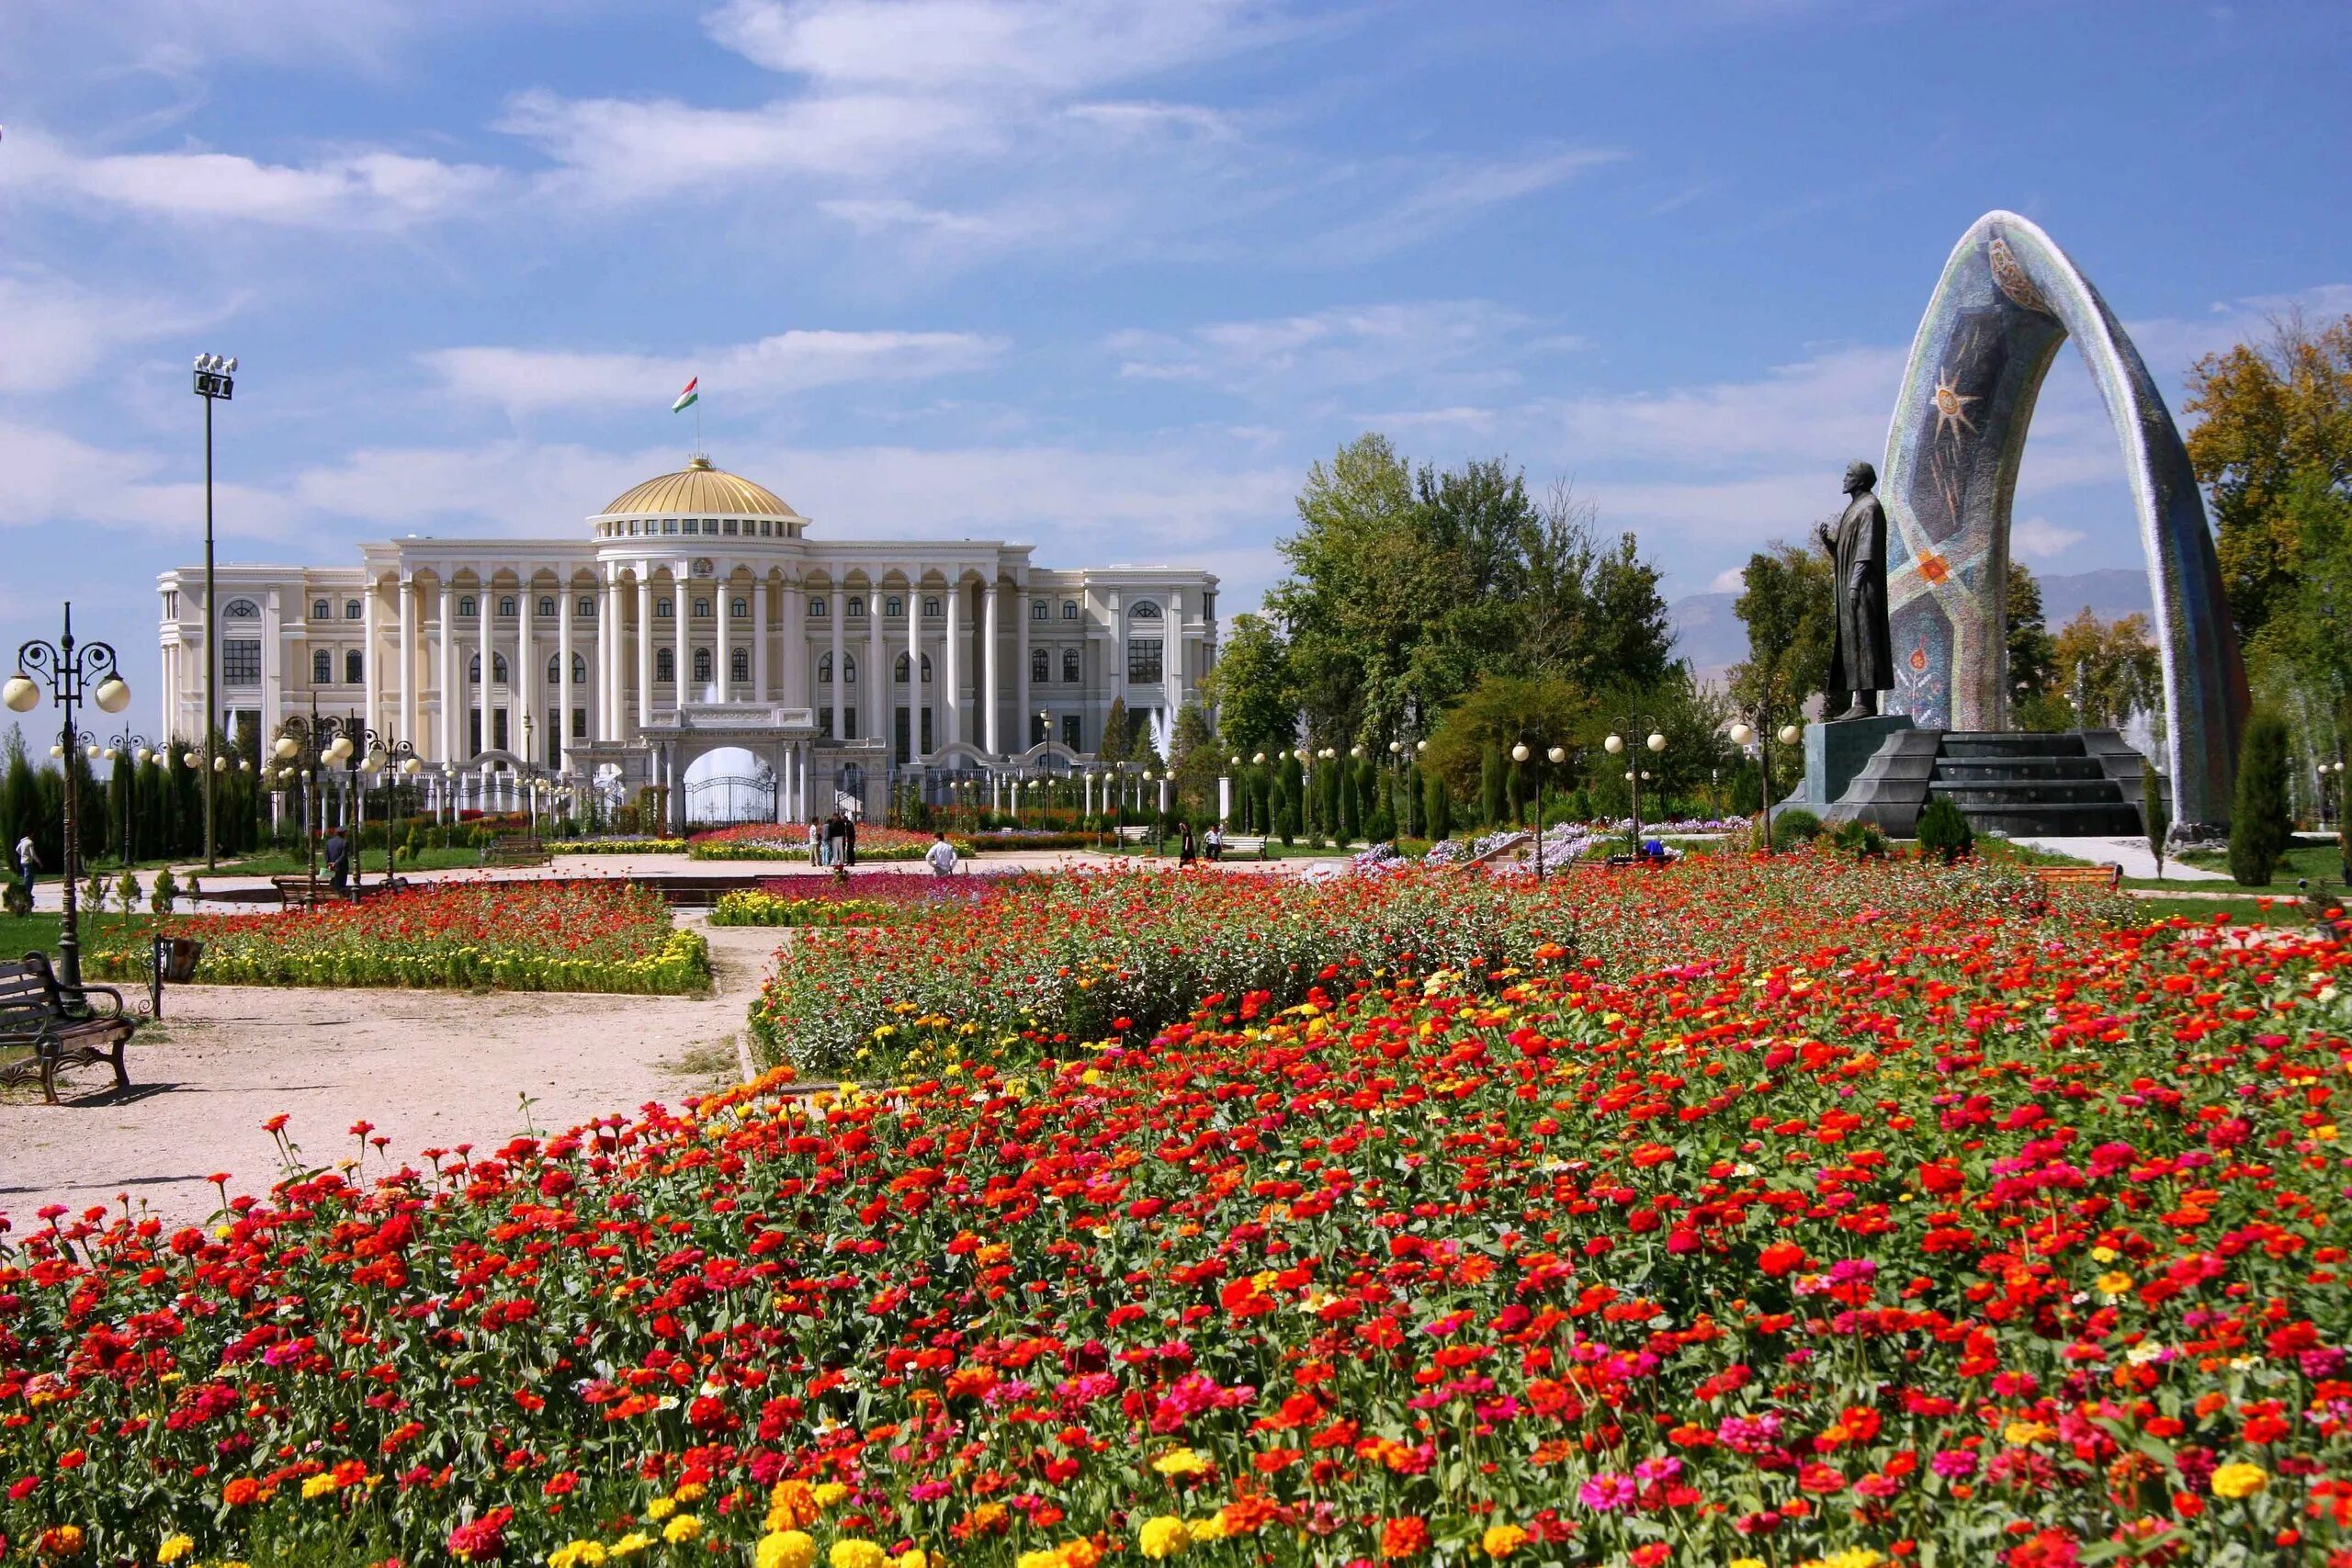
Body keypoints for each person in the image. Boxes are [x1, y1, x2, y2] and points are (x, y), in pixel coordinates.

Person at [13, 831, 37, 906]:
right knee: (28, 878)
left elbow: (17, 849)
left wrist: (22, 855)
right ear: (31, 834)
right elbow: (33, 854)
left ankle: (27, 892)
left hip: (22, 861)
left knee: (26, 877)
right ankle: (27, 893)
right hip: (28, 862)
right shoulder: (30, 842)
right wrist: (39, 862)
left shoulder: (22, 841)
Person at [324, 827, 350, 893]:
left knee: (332, 884)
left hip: (330, 867)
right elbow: (343, 855)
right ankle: (340, 900)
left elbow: (326, 854)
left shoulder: (329, 842)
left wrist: (328, 863)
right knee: (341, 886)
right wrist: (335, 863)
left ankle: (332, 899)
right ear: (344, 833)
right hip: (341, 868)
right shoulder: (345, 842)